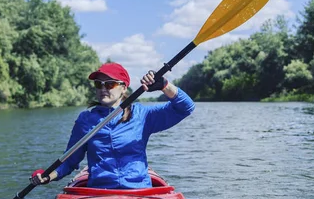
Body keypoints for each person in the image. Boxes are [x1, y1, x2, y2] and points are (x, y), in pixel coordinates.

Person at [30, 62, 195, 189]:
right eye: (98, 84)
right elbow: (69, 161)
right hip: (98, 191)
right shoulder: (85, 120)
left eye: (109, 84)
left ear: (123, 88)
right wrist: (47, 176)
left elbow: (186, 107)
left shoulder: (141, 115)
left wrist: (165, 86)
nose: (103, 89)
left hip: (139, 189)